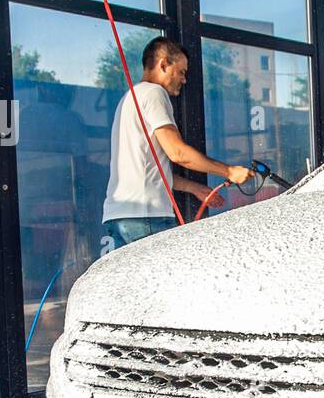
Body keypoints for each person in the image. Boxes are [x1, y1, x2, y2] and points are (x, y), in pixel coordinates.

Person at [100, 36, 250, 248]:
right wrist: (229, 171)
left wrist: (193, 188)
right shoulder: (154, 93)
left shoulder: (130, 98)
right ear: (163, 64)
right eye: (181, 71)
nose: (184, 79)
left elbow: (149, 171)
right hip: (147, 217)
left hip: (120, 216)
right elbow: (177, 153)